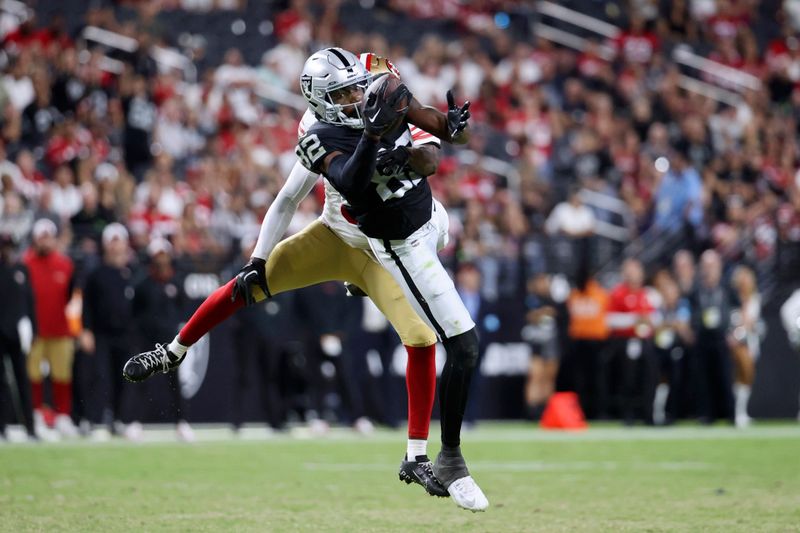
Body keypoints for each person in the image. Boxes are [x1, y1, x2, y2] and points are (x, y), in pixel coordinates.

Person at [123, 50, 474, 506]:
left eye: (356, 87)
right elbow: (289, 198)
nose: (355, 96)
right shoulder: (318, 130)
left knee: (422, 339)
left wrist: (447, 128)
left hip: (383, 250)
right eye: (344, 93)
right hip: (334, 236)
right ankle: (172, 351)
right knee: (247, 284)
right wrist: (258, 255)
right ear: (322, 100)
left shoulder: (386, 95)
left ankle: (415, 455)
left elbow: (431, 141)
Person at [131, 238, 194, 441]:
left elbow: (184, 311)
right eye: (158, 254)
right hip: (148, 341)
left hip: (171, 344)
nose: (161, 259)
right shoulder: (142, 283)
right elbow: (135, 312)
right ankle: (136, 423)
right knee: (142, 382)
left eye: (164, 254)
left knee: (174, 384)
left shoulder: (176, 282)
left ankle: (181, 423)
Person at [79, 223, 138, 438]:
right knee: (99, 376)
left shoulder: (132, 273)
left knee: (125, 378)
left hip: (125, 334)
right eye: (112, 242)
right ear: (105, 245)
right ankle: (92, 420)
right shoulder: (96, 274)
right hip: (101, 333)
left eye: (118, 241)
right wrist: (85, 330)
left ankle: (119, 420)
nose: (115, 246)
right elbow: (85, 305)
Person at [23, 218, 78, 438]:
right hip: (35, 331)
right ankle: (36, 414)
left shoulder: (66, 265)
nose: (45, 241)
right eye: (41, 236)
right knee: (33, 374)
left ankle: (63, 416)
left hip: (61, 329)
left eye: (48, 236)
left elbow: (73, 300)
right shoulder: (25, 263)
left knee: (62, 374)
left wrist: (76, 329)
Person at [607, 258, 657, 424]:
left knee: (649, 378)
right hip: (626, 341)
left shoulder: (648, 294)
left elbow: (656, 317)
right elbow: (610, 319)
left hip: (646, 341)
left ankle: (648, 414)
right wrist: (634, 319)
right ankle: (628, 415)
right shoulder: (618, 293)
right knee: (628, 379)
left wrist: (648, 321)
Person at [689, 250, 735, 424]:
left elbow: (736, 310)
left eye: (711, 265)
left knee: (724, 376)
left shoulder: (727, 287)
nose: (708, 269)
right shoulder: (696, 289)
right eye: (705, 265)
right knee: (703, 378)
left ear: (719, 266)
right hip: (702, 337)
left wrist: (734, 331)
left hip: (721, 337)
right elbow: (691, 312)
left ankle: (730, 414)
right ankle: (707, 414)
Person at [0, 234, 36, 440]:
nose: (7, 251)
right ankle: (2, 427)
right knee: (1, 383)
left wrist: (32, 329)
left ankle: (30, 427)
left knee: (23, 380)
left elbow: (30, 301)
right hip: (0, 333)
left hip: (17, 334)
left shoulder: (22, 270)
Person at [729, 266, 761, 428]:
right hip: (735, 342)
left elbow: (750, 322)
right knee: (740, 374)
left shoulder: (754, 299)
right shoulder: (732, 299)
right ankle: (737, 413)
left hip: (750, 341)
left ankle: (741, 412)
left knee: (746, 378)